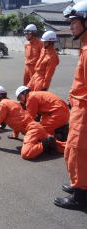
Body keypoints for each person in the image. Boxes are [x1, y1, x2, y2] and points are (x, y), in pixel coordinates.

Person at [54, 1, 87, 210]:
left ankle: (80, 195)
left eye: (75, 21)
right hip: (79, 106)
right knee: (76, 152)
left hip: (84, 111)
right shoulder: (84, 46)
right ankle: (79, 185)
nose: (71, 25)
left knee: (77, 152)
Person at [0, 86, 61, 160]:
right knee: (61, 147)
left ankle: (47, 142)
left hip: (31, 130)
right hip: (36, 127)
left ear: (0, 96)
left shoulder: (2, 105)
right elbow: (18, 120)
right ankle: (50, 141)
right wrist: (15, 135)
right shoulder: (13, 102)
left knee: (26, 153)